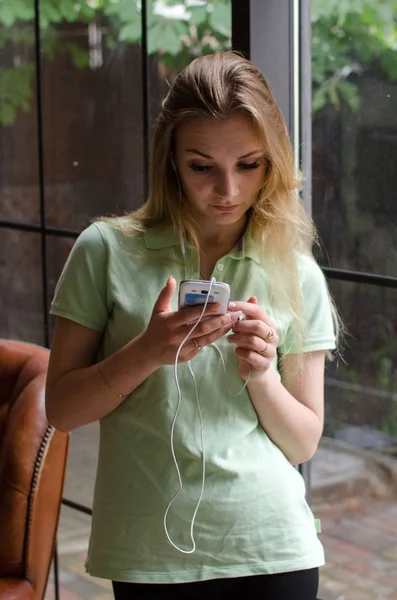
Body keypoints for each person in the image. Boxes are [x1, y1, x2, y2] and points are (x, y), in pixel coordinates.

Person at [46, 51, 339, 600]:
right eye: (203, 166)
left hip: (273, 546)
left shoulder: (296, 272)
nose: (228, 190)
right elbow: (61, 410)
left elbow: (302, 443)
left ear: (273, 162)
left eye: (249, 165)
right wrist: (146, 353)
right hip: (149, 554)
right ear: (171, 161)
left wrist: (262, 376)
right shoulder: (105, 251)